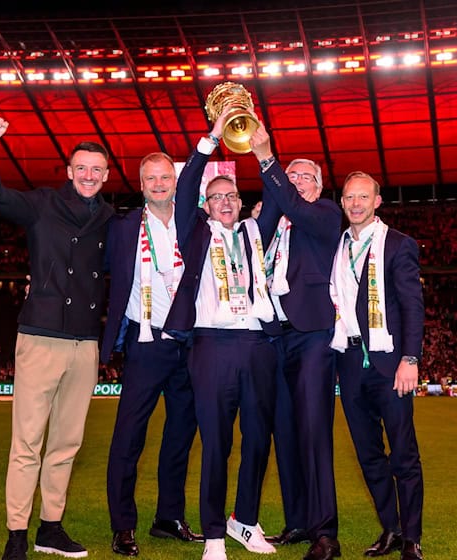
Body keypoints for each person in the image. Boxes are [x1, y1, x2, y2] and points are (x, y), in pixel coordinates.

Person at [0, 115, 115, 560]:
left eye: (98, 170)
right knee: (27, 443)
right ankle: (17, 533)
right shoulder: (42, 204)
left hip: (85, 341)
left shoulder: (112, 218)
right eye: (82, 168)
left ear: (107, 176)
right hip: (40, 335)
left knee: (67, 443)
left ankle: (50, 527)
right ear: (69, 171)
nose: (89, 176)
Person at [163, 109, 280, 560]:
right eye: (217, 197)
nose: (225, 202)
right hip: (211, 345)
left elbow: (275, 194)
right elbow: (187, 183)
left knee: (257, 438)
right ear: (206, 206)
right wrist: (212, 137)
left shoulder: (255, 229)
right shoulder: (193, 232)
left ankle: (244, 521)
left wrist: (262, 151)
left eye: (231, 194)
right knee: (217, 442)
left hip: (256, 345)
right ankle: (213, 532)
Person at [100, 151, 205, 556]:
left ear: (176, 182)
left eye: (165, 177)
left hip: (190, 343)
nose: (159, 184)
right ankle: (123, 525)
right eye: (150, 179)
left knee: (180, 436)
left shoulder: (195, 223)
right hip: (146, 344)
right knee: (129, 437)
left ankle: (168, 518)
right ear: (140, 184)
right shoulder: (123, 227)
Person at [247, 125, 343, 560]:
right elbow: (247, 245)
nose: (298, 180)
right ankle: (299, 520)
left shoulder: (323, 214)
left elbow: (292, 206)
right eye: (293, 173)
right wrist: (266, 209)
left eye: (306, 175)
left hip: (312, 336)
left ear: (320, 187)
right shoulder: (275, 221)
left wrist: (269, 161)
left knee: (313, 431)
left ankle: (326, 533)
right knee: (284, 432)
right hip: (275, 337)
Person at [330, 172, 425, 560]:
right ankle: (390, 528)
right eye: (349, 197)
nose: (355, 203)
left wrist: (410, 358)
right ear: (342, 202)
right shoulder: (335, 246)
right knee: (368, 455)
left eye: (363, 197)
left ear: (377, 202)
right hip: (349, 361)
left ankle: (411, 538)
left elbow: (412, 305)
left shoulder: (399, 245)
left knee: (403, 454)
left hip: (390, 363)